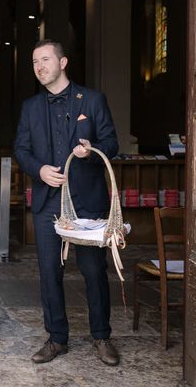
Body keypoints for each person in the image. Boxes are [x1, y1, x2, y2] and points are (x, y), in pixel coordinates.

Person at [14, 39, 120, 366]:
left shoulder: (92, 99)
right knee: (49, 273)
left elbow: (112, 144)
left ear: (63, 62)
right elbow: (21, 150)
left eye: (45, 60)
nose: (39, 66)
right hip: (48, 202)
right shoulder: (30, 107)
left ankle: (101, 337)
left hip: (87, 202)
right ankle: (56, 338)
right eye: (35, 62)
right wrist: (39, 170)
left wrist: (90, 150)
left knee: (93, 270)